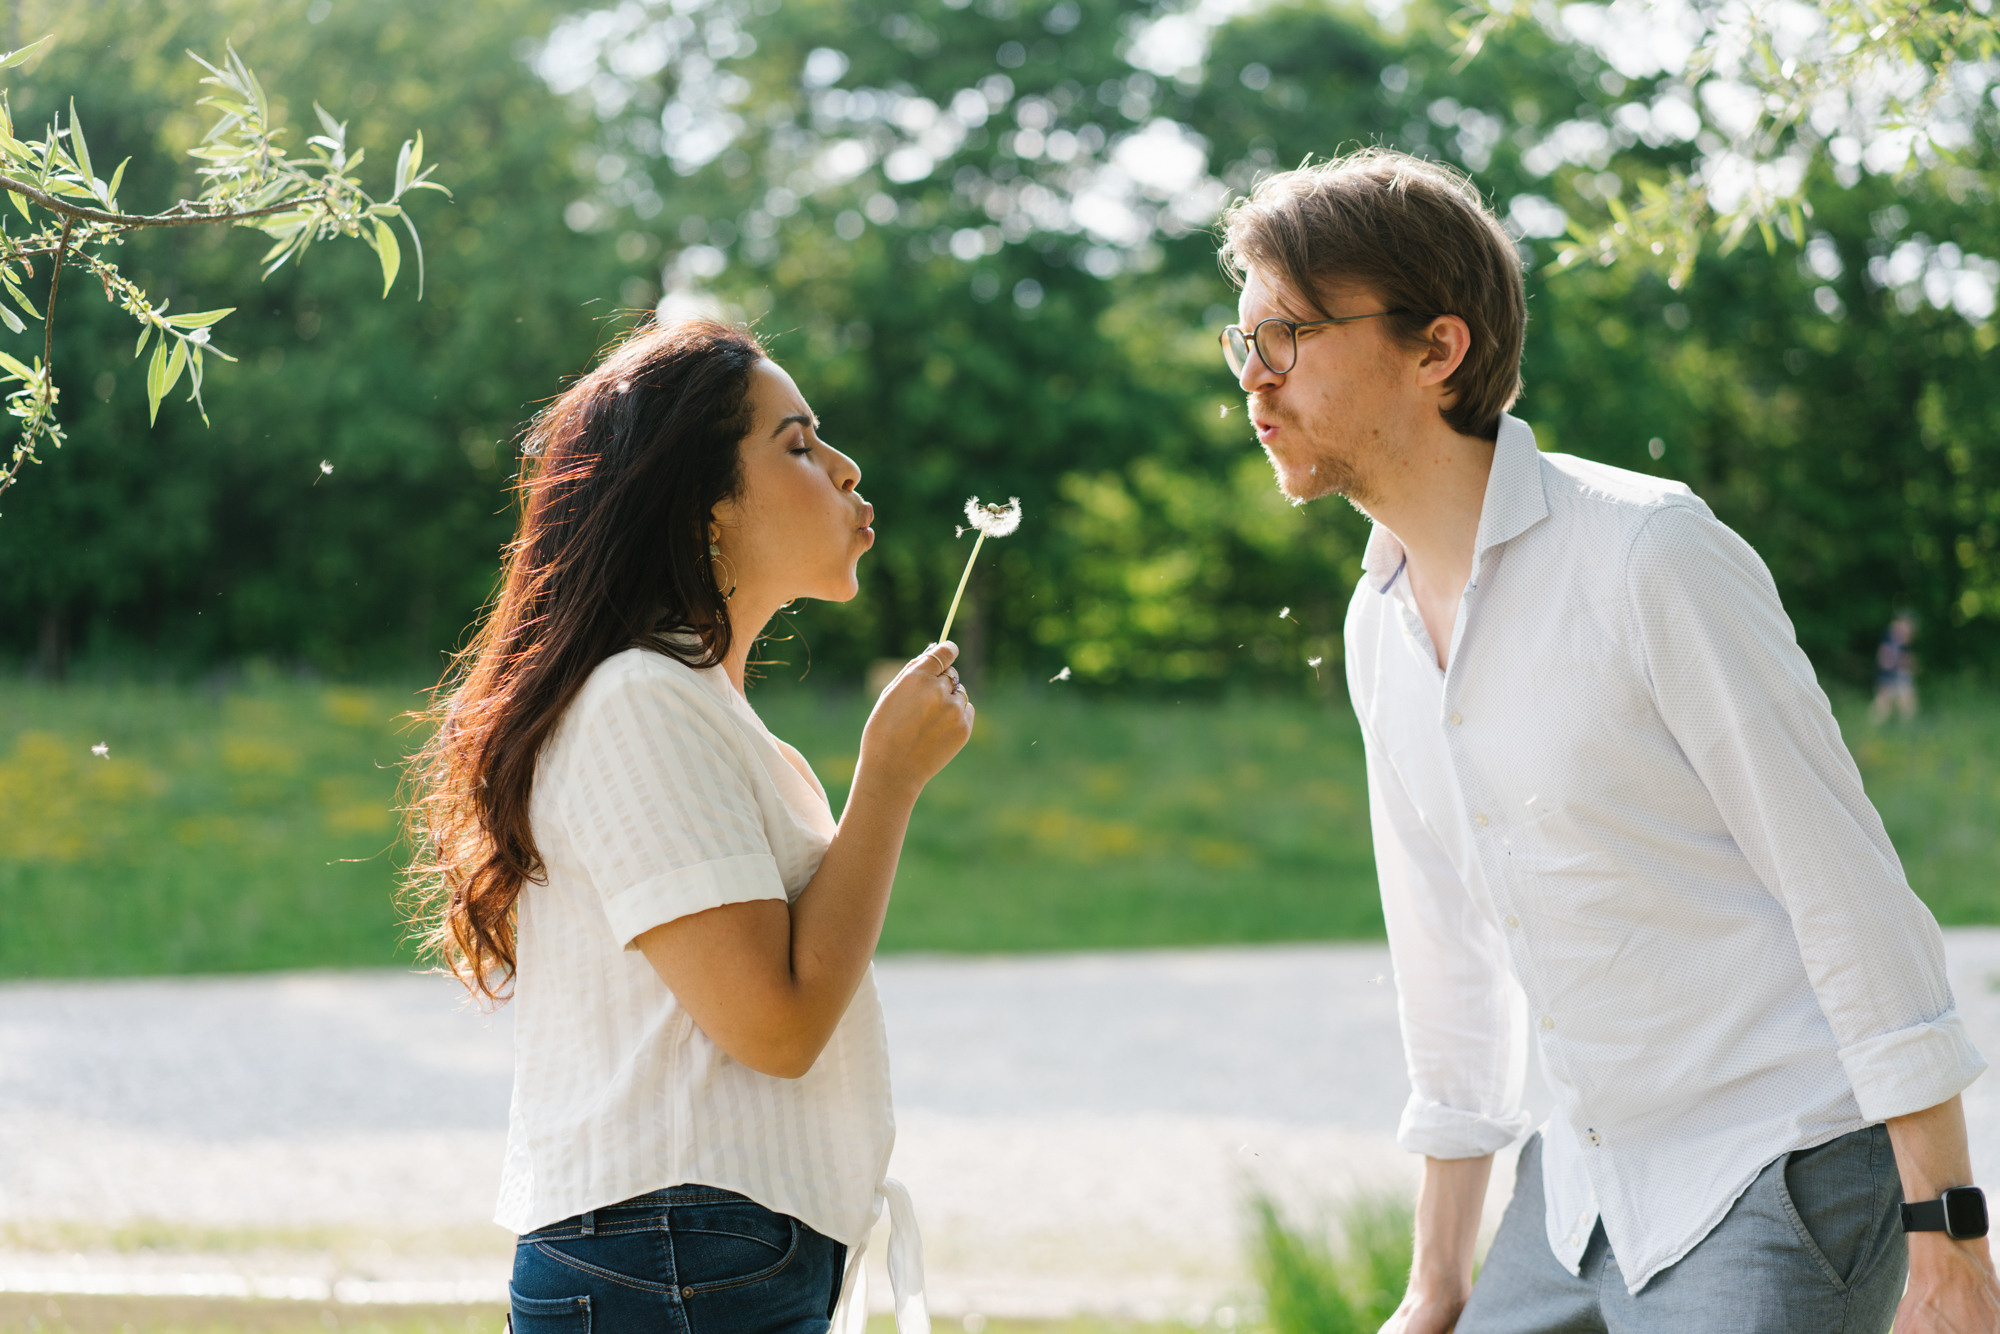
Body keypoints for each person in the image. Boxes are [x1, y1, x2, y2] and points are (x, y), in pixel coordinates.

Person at [1216, 149, 1997, 1333]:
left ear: (1436, 349)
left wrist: (1947, 1236)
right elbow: (1445, 958)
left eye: (1285, 335)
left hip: (1775, 1166)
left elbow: (1843, 886)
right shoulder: (1375, 621)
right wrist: (1436, 1280)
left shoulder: (1646, 553)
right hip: (1574, 1185)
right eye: (1242, 340)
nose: (1251, 378)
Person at [403, 318, 970, 1333]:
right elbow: (776, 1026)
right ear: (705, 506)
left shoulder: (708, 716)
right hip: (672, 1255)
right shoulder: (639, 700)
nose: (844, 467)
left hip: (696, 1254)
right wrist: (886, 781)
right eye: (797, 445)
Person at [1872, 609, 1920, 724]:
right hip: (1887, 679)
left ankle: (1905, 727)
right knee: (1882, 707)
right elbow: (1885, 662)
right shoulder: (1888, 643)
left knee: (1907, 704)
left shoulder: (1903, 646)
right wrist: (1901, 661)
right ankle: (1872, 727)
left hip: (1899, 678)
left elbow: (1911, 665)